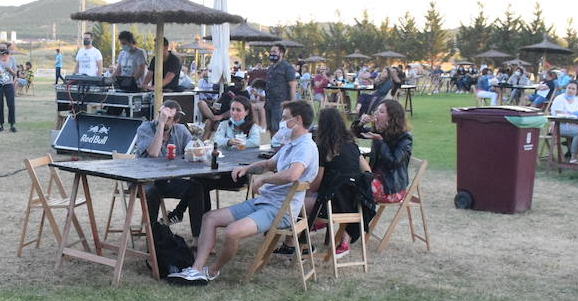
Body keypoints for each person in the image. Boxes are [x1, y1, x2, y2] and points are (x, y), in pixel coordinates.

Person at [171, 100, 318, 284]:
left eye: (285, 118)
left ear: (297, 120)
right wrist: (247, 169)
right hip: (265, 202)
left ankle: (212, 271)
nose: (282, 122)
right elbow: (269, 163)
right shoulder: (291, 144)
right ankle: (196, 270)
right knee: (210, 218)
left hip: (280, 209)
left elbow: (293, 174)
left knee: (232, 232)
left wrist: (264, 179)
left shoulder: (305, 146)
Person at [128, 99, 209, 236]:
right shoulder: (145, 128)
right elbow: (153, 153)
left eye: (168, 118)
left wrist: (201, 148)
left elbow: (194, 152)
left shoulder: (180, 130)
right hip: (143, 182)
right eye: (161, 114)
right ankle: (152, 242)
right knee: (153, 193)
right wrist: (160, 125)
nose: (163, 118)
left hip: (166, 180)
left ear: (175, 121)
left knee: (196, 188)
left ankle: (197, 239)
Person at [305, 106, 367, 258]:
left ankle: (301, 245)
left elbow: (315, 185)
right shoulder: (352, 146)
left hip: (331, 204)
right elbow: (368, 172)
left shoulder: (323, 148)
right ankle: (343, 241)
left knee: (295, 203)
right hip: (353, 203)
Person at [354, 97, 413, 204]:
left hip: (392, 189)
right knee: (350, 182)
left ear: (391, 117)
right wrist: (360, 124)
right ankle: (355, 219)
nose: (376, 114)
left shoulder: (404, 138)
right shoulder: (381, 131)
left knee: (357, 189)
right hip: (376, 179)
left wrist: (380, 141)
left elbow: (394, 162)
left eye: (381, 112)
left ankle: (359, 219)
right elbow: (357, 133)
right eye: (376, 110)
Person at [551, 81, 578, 163]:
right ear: (566, 88)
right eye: (569, 88)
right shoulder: (559, 98)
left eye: (573, 89)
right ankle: (573, 158)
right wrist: (571, 116)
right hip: (559, 125)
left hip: (574, 124)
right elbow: (558, 113)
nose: (570, 90)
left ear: (577, 91)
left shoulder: (577, 99)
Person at [262, 45, 298, 135]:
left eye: (274, 52)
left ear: (281, 53)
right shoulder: (270, 68)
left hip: (280, 103)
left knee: (278, 127)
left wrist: (292, 102)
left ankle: (279, 147)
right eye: (271, 52)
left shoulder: (287, 68)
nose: (271, 54)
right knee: (269, 127)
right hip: (269, 102)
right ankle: (270, 146)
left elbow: (292, 85)